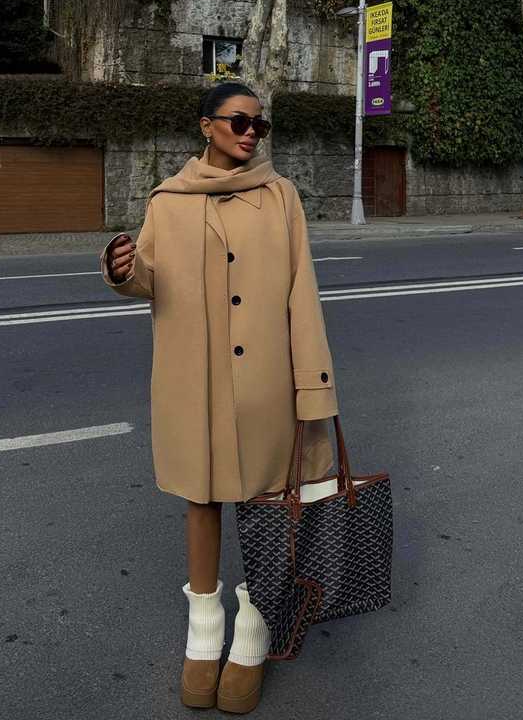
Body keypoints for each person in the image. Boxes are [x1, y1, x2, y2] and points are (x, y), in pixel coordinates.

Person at [99, 81, 339, 713]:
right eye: (239, 121)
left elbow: (303, 295)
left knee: (266, 507)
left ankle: (253, 634)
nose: (251, 133)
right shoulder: (168, 200)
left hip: (266, 384)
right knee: (200, 498)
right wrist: (125, 270)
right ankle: (203, 633)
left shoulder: (280, 196)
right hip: (194, 382)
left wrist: (313, 391)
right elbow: (150, 278)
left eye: (260, 124)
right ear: (207, 125)